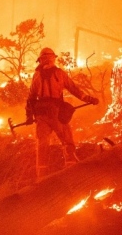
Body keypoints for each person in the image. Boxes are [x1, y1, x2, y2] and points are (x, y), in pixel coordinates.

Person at [25, 47, 99, 179]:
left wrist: (29, 116)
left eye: (47, 58)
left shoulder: (38, 75)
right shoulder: (57, 74)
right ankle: (70, 172)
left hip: (44, 116)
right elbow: (74, 89)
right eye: (48, 58)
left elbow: (31, 98)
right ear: (51, 59)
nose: (48, 60)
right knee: (66, 142)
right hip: (56, 114)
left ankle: (42, 177)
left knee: (43, 145)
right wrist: (88, 99)